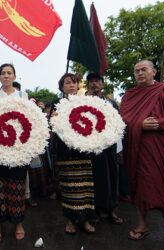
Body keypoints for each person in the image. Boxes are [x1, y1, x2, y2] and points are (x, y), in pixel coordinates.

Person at [120, 60, 164, 248]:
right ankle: (142, 226)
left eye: (143, 70)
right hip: (138, 148)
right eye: (136, 71)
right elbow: (123, 118)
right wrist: (140, 124)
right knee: (140, 185)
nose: (140, 73)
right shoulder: (130, 95)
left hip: (161, 147)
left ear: (154, 71)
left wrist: (160, 122)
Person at [50, 73, 95, 235]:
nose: (71, 85)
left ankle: (86, 220)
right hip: (65, 151)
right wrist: (54, 118)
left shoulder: (86, 101)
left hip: (83, 150)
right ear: (62, 87)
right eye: (67, 83)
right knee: (69, 187)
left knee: (86, 186)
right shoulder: (57, 103)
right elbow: (52, 125)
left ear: (78, 86)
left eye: (74, 83)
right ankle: (70, 220)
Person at [0, 64, 28, 242]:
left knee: (18, 184)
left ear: (14, 76)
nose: (6, 76)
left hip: (19, 145)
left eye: (9, 73)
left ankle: (18, 222)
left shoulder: (22, 95)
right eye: (3, 73)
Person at [85, 73, 123, 225]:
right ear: (87, 85)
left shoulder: (111, 103)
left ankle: (112, 209)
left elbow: (118, 123)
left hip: (110, 147)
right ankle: (96, 211)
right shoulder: (84, 102)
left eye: (97, 81)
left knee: (113, 177)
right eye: (91, 82)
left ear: (103, 84)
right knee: (95, 179)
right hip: (93, 147)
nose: (94, 84)